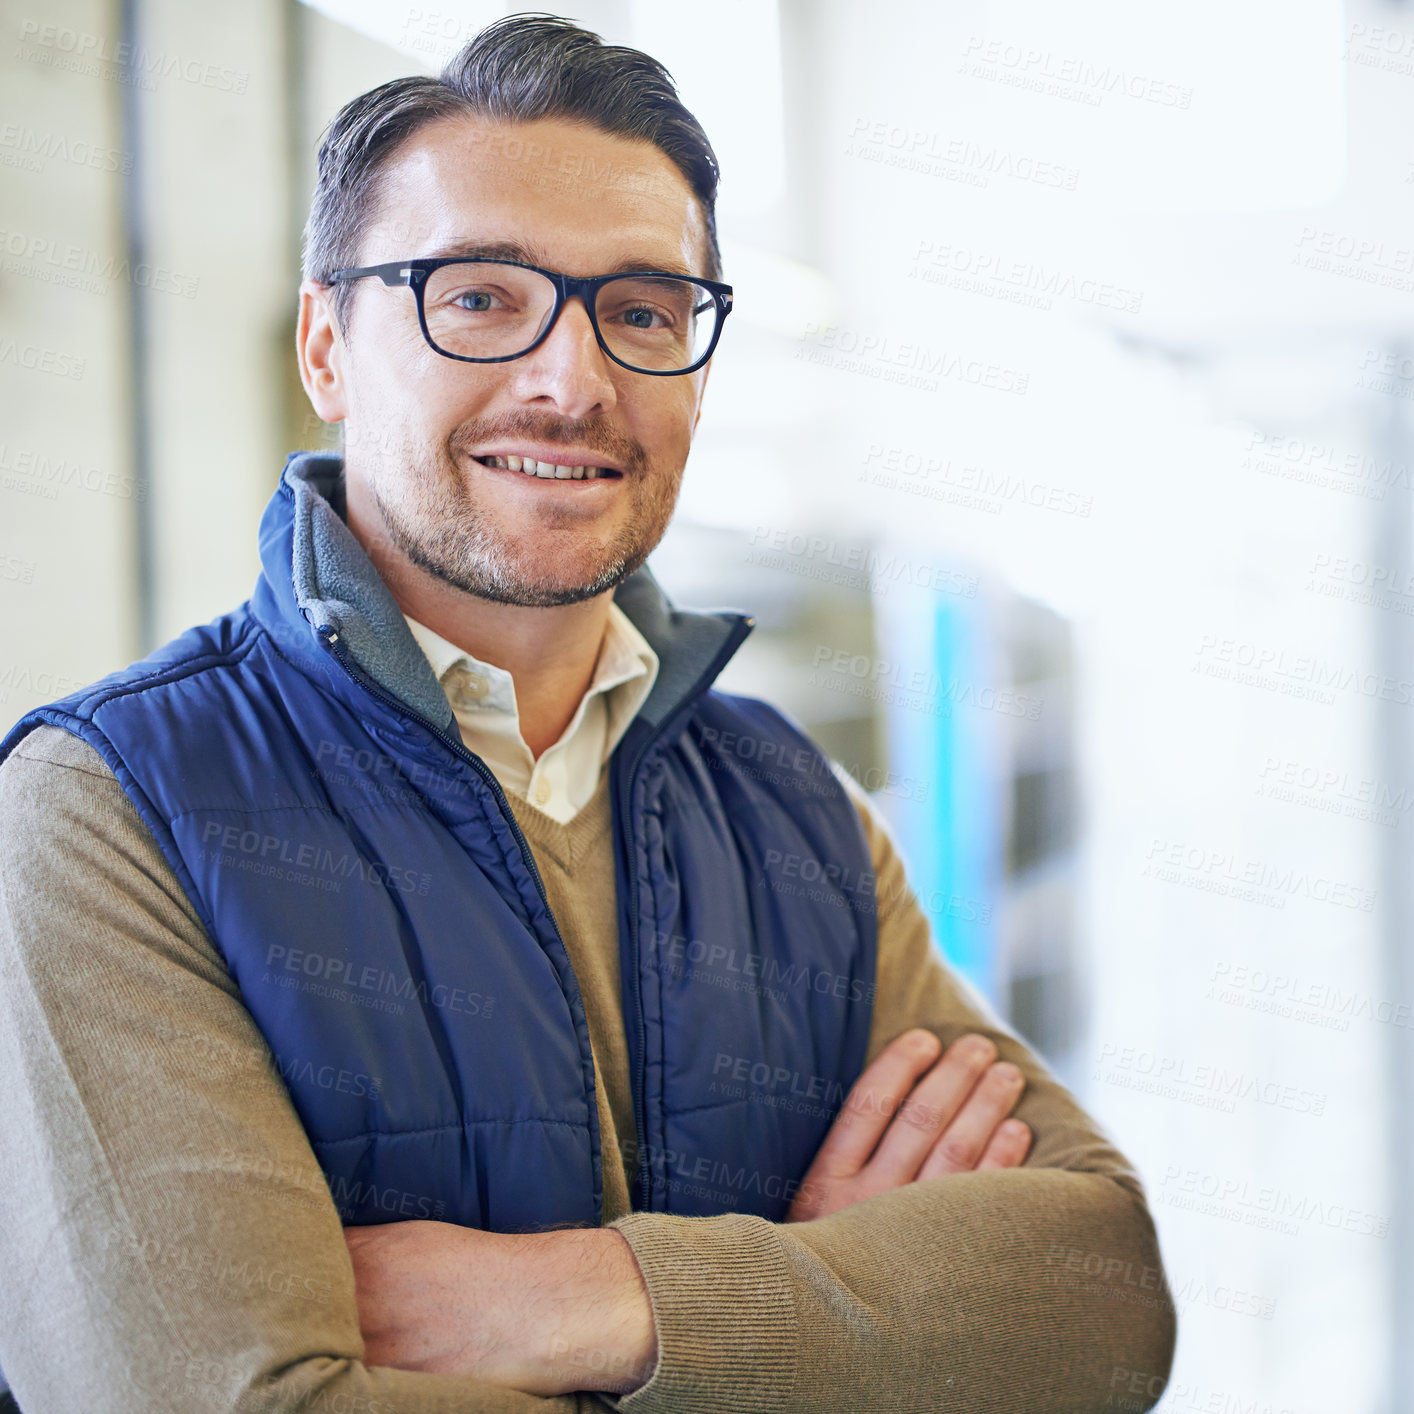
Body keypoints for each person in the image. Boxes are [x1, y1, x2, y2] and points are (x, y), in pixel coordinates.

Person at [0, 14, 1175, 1413]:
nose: (571, 381)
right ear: (327, 345)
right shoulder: (110, 810)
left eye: (642, 309)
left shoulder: (792, 813)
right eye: (481, 296)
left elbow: (1102, 1301)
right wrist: (846, 1332)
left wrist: (585, 1303)